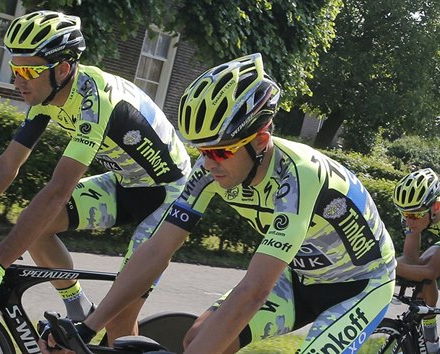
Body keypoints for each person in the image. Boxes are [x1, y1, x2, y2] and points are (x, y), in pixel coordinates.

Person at [42, 53, 397, 354]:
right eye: (202, 151)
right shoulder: (209, 169)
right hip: (301, 275)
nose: (209, 163)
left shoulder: (299, 176)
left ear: (260, 141)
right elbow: (156, 249)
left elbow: (254, 289)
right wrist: (87, 331)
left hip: (361, 284)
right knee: (201, 339)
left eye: (221, 151)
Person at [0, 10, 191, 343]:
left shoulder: (97, 100)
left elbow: (59, 189)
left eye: (28, 71)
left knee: (118, 321)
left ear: (62, 69)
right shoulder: (47, 96)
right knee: (39, 227)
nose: (18, 81)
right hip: (127, 183)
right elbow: (7, 165)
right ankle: (78, 308)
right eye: (16, 69)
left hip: (169, 195)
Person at [393, 168, 440, 352]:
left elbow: (430, 271)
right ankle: (431, 339)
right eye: (404, 214)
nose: (409, 220)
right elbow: (411, 260)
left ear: (435, 207)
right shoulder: (412, 216)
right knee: (419, 269)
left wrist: (387, 263)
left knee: (427, 270)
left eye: (414, 215)